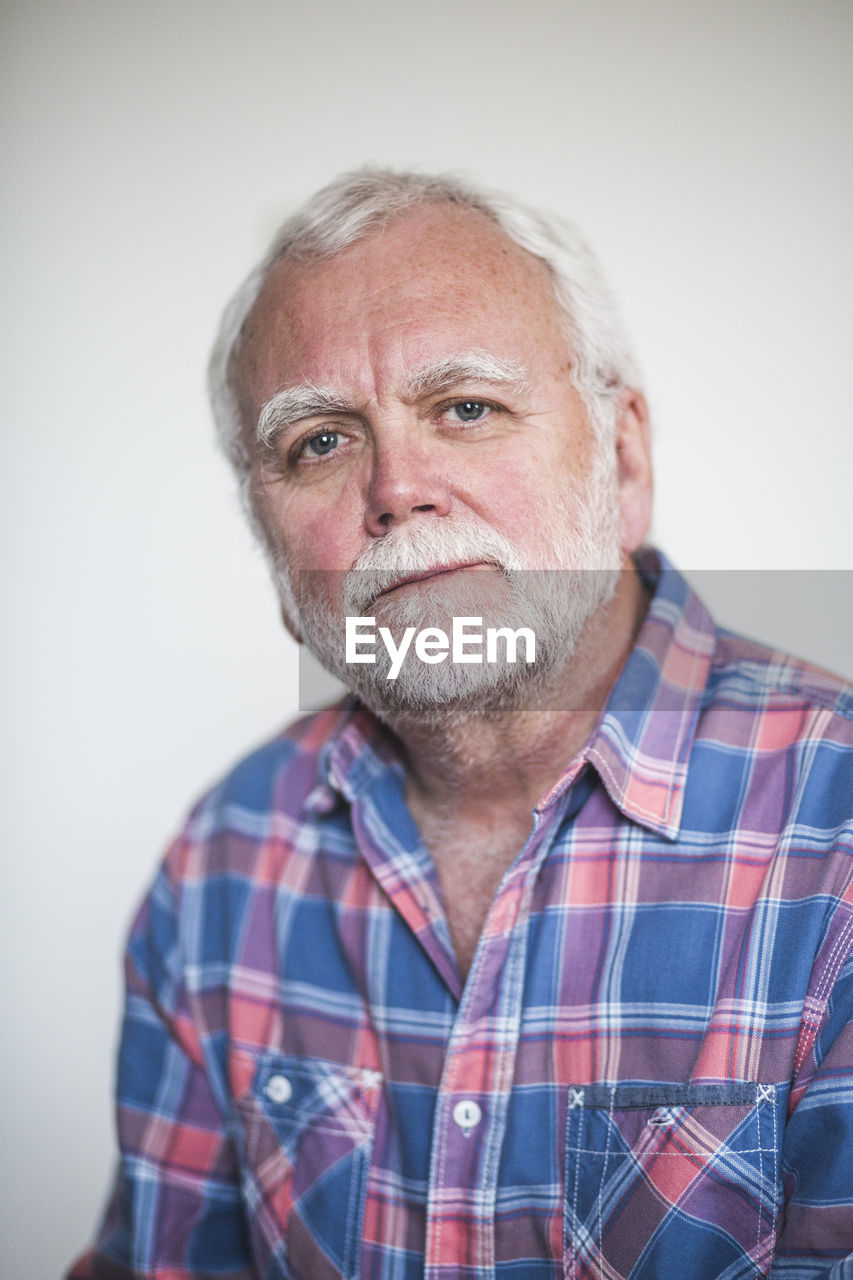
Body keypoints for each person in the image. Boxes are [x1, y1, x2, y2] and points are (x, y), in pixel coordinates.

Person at [69, 169, 853, 1279]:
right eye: (321, 443)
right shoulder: (222, 863)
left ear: (622, 458)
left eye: (466, 408)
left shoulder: (838, 836)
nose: (396, 487)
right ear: (268, 539)